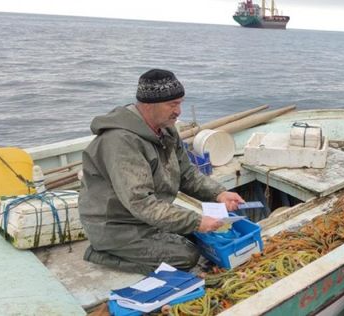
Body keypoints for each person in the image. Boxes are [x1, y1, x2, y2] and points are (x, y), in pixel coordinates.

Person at [79, 69, 245, 274]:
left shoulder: (166, 129)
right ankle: (101, 253)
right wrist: (196, 220)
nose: (179, 111)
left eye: (181, 103)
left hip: (147, 217)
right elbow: (141, 202)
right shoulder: (121, 142)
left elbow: (186, 173)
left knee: (202, 239)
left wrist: (218, 193)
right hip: (116, 225)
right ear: (148, 105)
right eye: (172, 105)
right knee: (187, 256)